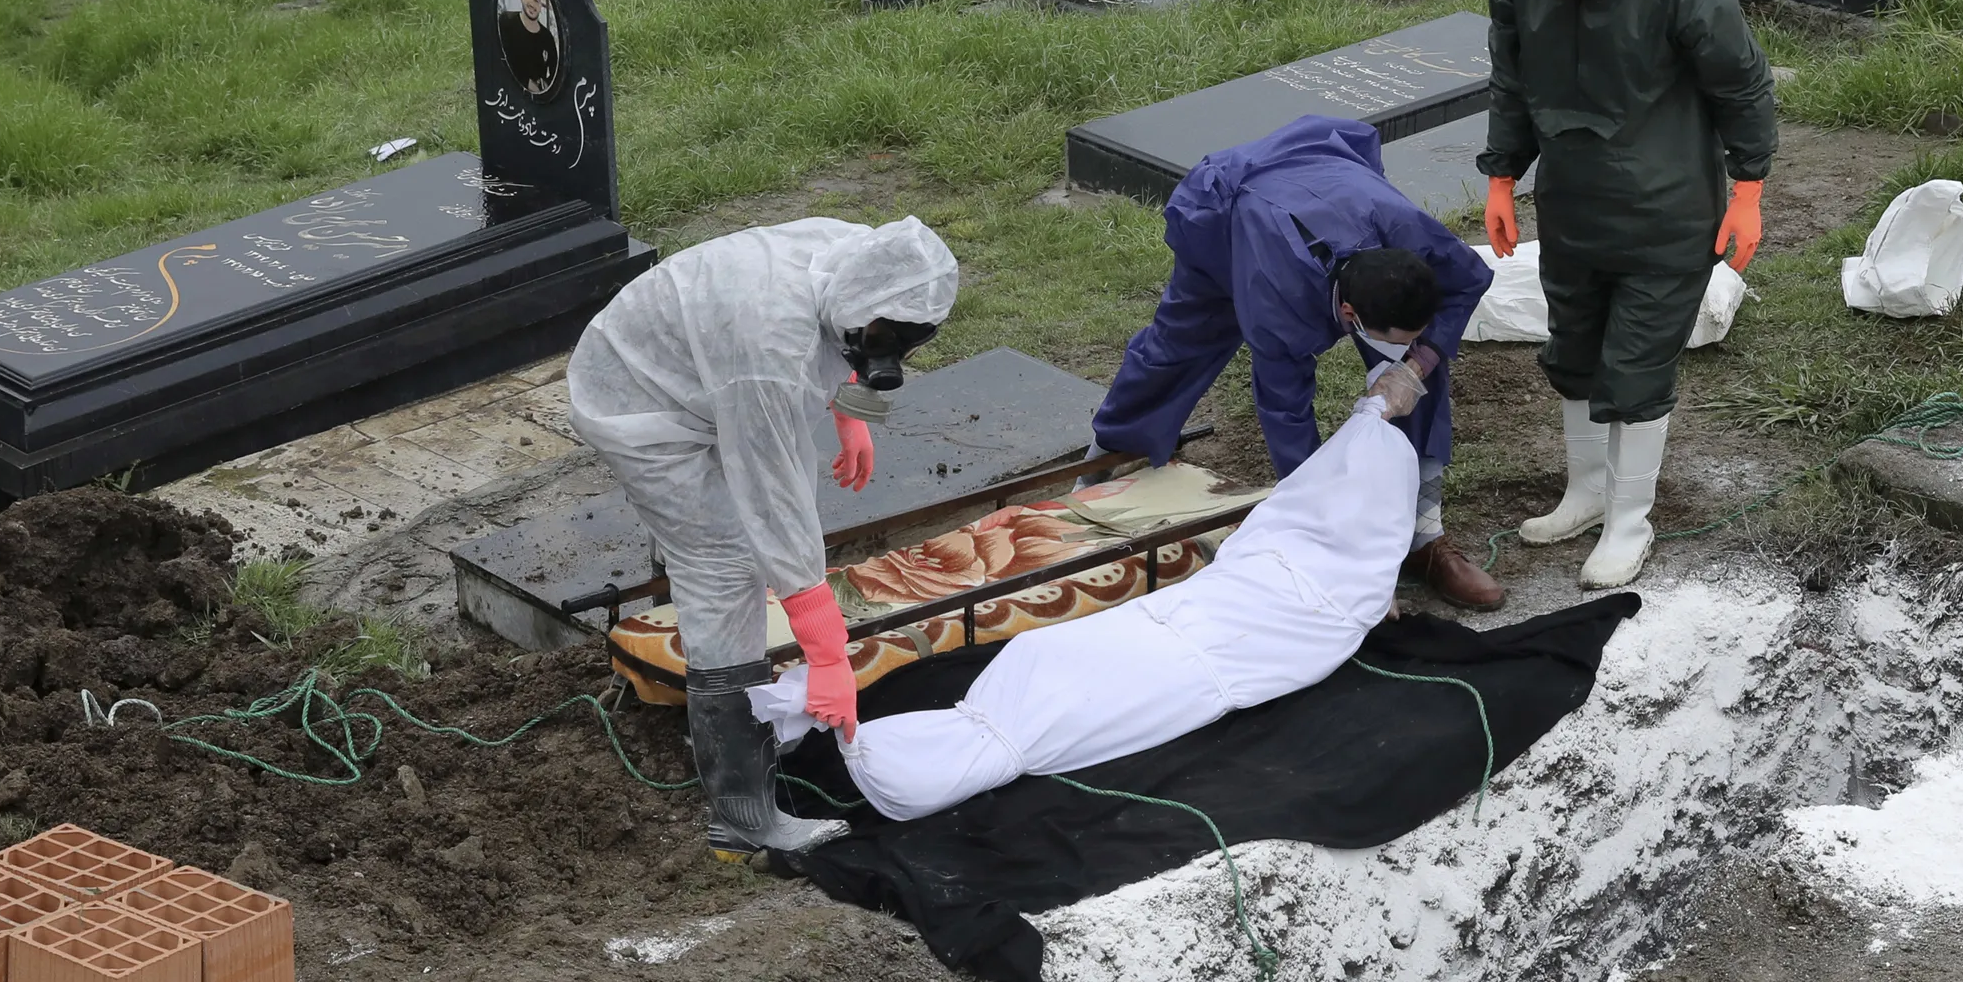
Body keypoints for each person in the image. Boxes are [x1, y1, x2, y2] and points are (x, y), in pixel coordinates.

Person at [756, 359, 1431, 821]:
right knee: (1067, 681)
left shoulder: (1320, 570)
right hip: (1187, 627)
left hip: (1198, 642)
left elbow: (1296, 575)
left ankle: (894, 754)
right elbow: (1316, 565)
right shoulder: (1339, 574)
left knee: (1076, 692)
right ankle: (885, 752)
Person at [566, 216, 959, 859]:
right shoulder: (770, 357)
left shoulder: (865, 254)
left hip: (704, 358)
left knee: (756, 506)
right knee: (723, 566)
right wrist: (828, 653)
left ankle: (732, 715)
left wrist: (853, 415)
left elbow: (846, 343)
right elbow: (774, 507)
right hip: (640, 400)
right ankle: (742, 816)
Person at [1477, 0, 1778, 589]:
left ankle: (1628, 521)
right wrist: (1502, 175)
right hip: (1574, 203)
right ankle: (1583, 493)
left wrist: (1748, 190)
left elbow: (1743, 87)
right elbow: (1511, 79)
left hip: (1666, 208)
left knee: (1638, 362)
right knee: (1573, 343)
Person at [1086, 114, 1502, 610]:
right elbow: (1288, 419)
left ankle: (1423, 536)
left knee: (1427, 364)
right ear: (1350, 316)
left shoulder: (1405, 232)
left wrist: (1416, 365)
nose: (1400, 354)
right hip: (1225, 218)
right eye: (1387, 342)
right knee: (1177, 347)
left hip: (1319, 177)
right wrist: (1336, 558)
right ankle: (1106, 462)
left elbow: (1469, 276)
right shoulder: (1276, 308)